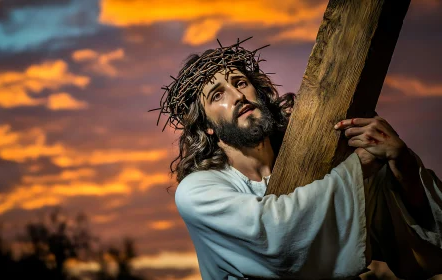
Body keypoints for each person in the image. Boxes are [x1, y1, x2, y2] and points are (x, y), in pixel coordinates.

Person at [152, 38, 442, 279]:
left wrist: (400, 160)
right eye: (217, 95)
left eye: (240, 83)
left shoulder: (328, 167)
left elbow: (418, 248)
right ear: (207, 127)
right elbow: (276, 235)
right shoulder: (197, 191)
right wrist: (361, 164)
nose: (237, 96)